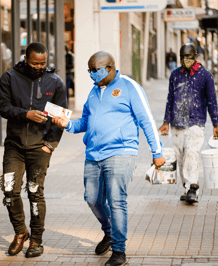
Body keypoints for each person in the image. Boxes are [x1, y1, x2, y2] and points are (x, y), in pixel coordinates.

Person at [52, 51, 166, 266]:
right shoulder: (94, 93)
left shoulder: (130, 87)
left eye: (96, 70)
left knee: (116, 200)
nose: (92, 75)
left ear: (110, 67)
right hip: (93, 154)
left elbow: (147, 120)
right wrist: (66, 124)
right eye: (90, 71)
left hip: (122, 152)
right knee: (92, 199)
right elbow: (84, 122)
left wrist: (157, 151)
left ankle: (119, 250)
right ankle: (110, 231)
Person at [0, 42, 67, 258]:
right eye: (35, 63)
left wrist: (50, 144)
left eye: (43, 63)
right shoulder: (10, 77)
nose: (39, 67)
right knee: (9, 190)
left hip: (40, 147)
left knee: (35, 193)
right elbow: (2, 106)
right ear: (26, 59)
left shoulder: (55, 82)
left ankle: (36, 240)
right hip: (14, 146)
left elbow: (61, 118)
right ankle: (20, 233)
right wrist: (26, 114)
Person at [158, 43, 218, 204]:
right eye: (183, 58)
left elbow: (212, 101)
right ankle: (187, 188)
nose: (186, 60)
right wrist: (166, 122)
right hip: (177, 123)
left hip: (196, 122)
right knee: (181, 156)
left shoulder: (205, 76)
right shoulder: (175, 75)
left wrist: (216, 124)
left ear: (195, 57)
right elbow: (170, 99)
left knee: (192, 153)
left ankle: (193, 187)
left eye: (189, 57)